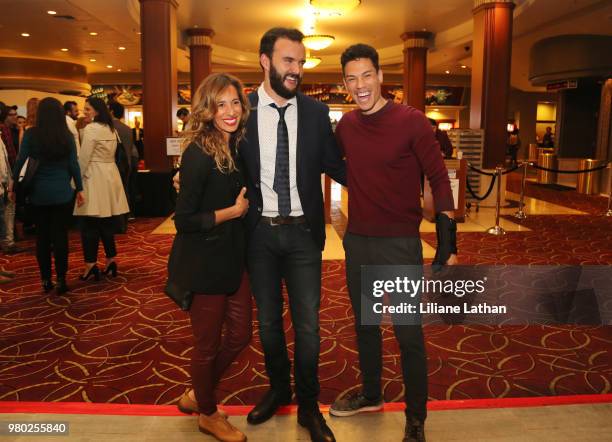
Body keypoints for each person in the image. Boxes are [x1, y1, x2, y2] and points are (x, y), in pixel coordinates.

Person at [174, 27, 346, 442]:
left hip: (304, 234)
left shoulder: (316, 113)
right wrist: (185, 174)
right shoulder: (241, 113)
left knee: (308, 327)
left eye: (301, 62)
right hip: (258, 237)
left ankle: (308, 406)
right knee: (267, 324)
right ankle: (278, 390)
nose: (296, 69)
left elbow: (337, 165)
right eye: (289, 60)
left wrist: (388, 177)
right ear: (266, 61)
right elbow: (213, 157)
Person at [329, 44, 458, 442]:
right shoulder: (347, 125)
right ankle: (371, 393)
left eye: (366, 75)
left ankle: (416, 418)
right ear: (346, 83)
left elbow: (438, 177)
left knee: (407, 334)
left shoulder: (411, 121)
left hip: (399, 246)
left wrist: (447, 240)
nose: (360, 85)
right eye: (351, 78)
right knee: (365, 326)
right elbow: (330, 164)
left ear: (381, 76)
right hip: (359, 243)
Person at [169, 73, 252, 442]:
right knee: (207, 345)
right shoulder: (199, 153)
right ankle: (206, 411)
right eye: (221, 104)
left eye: (235, 102)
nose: (230, 111)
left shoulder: (235, 146)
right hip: (203, 263)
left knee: (240, 334)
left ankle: (196, 394)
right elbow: (184, 221)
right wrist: (229, 213)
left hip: (233, 258)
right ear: (208, 109)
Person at [10, 98, 85, 294]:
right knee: (60, 237)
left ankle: (45, 279)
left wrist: (12, 184)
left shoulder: (31, 134)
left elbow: (20, 161)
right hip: (62, 193)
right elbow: (73, 165)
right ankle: (61, 279)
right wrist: (80, 188)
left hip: (38, 194)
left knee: (42, 238)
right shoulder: (66, 136)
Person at [73, 97, 129, 281]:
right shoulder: (110, 128)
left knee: (89, 223)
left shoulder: (91, 129)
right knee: (106, 223)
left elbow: (84, 158)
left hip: (94, 177)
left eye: (87, 109)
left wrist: (75, 183)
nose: (84, 112)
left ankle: (90, 264)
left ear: (97, 111)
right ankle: (111, 259)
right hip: (110, 175)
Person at [109, 102, 138, 220]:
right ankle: (127, 214)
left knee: (116, 191)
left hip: (114, 164)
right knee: (126, 188)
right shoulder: (127, 129)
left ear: (111, 112)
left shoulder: (109, 128)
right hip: (127, 163)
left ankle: (118, 217)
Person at [0, 102, 20, 254]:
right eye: (10, 114)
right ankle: (8, 242)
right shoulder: (4, 129)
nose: (15, 117)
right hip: (6, 176)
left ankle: (9, 242)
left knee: (8, 210)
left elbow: (9, 155)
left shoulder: (8, 130)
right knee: (6, 210)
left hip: (8, 174)